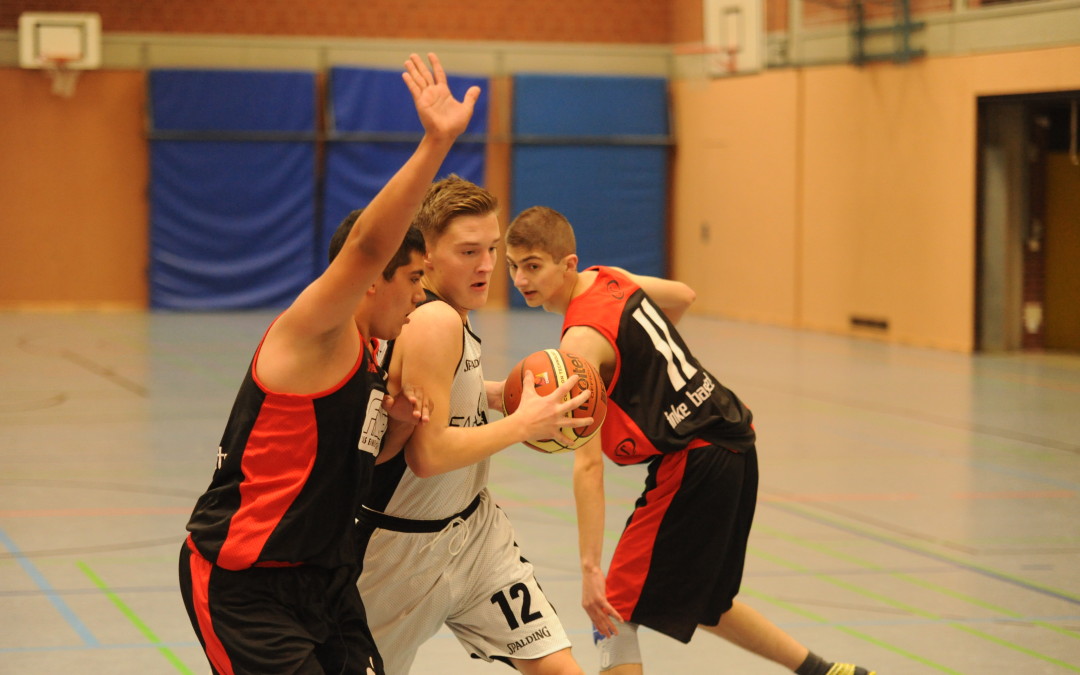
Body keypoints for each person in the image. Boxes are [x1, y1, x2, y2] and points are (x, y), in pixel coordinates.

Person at [178, 52, 477, 675]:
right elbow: (371, 243)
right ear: (371, 282)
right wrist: (435, 144)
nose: (423, 293)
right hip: (248, 587)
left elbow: (355, 471)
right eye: (414, 278)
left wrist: (396, 423)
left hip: (327, 583)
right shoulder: (314, 332)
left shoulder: (377, 355)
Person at [504, 206, 877, 675]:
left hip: (694, 457)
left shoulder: (579, 345)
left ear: (568, 263)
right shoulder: (610, 277)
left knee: (612, 606)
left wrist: (589, 568)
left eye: (533, 265)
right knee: (707, 602)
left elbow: (588, 467)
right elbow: (682, 295)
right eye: (513, 267)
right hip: (734, 439)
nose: (520, 279)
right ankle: (828, 673)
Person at [356, 175, 591, 675]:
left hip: (476, 535)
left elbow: (442, 392)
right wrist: (526, 421)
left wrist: (504, 393)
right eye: (468, 252)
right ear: (428, 255)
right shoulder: (435, 322)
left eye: (491, 249)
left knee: (559, 667)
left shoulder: (449, 317)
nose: (486, 266)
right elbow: (428, 455)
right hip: (399, 551)